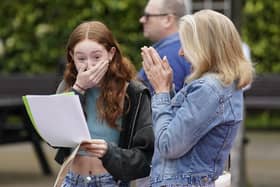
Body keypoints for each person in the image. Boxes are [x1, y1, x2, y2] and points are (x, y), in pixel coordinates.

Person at [141, 9, 254, 187]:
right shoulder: (223, 85)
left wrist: (161, 92)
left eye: (186, 45)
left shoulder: (210, 89)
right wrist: (168, 89)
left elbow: (168, 145)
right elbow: (181, 130)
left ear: (204, 46)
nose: (181, 53)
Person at [54, 21, 154, 187]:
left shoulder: (133, 92)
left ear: (111, 53)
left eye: (97, 57)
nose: (89, 65)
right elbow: (55, 138)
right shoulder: (68, 87)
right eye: (81, 58)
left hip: (110, 180)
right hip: (72, 178)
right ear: (71, 55)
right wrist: (79, 89)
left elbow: (145, 156)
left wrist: (110, 152)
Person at [138, 0, 191, 94]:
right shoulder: (187, 47)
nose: (142, 20)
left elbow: (172, 106)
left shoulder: (167, 56)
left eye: (147, 16)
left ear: (168, 20)